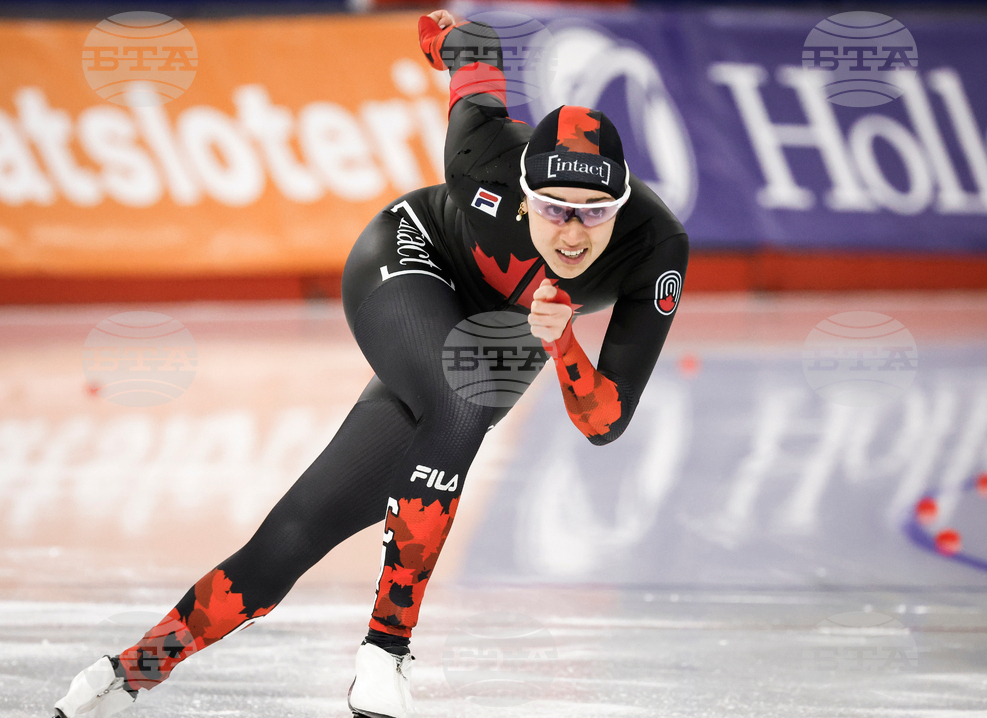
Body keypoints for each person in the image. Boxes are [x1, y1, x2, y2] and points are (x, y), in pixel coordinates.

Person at [52, 9, 688, 718]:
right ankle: (385, 653)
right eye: (552, 208)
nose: (571, 234)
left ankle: (122, 675)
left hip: (507, 334)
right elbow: (473, 52)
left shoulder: (657, 248)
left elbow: (604, 423)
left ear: (624, 205)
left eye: (594, 214)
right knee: (463, 397)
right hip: (410, 260)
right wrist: (441, 30)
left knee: (298, 531)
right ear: (522, 191)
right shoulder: (481, 151)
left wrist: (564, 341)